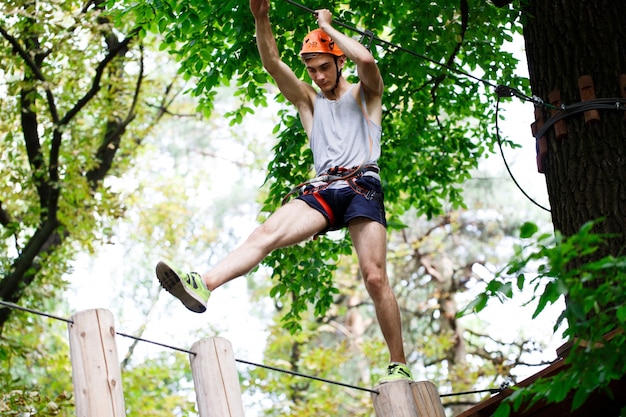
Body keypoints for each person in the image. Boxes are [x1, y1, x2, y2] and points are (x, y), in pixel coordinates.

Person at [156, 0, 412, 384]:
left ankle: (398, 363)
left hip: (362, 186)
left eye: (324, 66)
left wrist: (328, 26)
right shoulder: (308, 100)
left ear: (338, 62)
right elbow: (273, 64)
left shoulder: (365, 94)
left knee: (374, 277)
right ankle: (202, 285)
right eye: (312, 69)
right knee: (265, 234)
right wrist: (261, 17)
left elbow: (370, 62)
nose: (319, 75)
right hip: (325, 188)